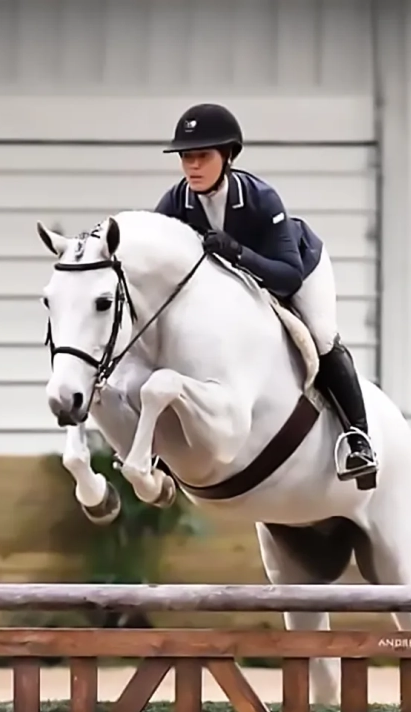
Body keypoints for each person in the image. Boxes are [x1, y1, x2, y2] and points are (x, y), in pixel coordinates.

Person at [152, 102, 378, 483]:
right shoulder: (176, 203)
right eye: (186, 156)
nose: (192, 165)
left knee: (321, 336)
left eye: (202, 156)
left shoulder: (261, 199)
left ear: (227, 156)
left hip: (297, 269)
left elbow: (287, 276)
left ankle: (358, 439)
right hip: (233, 292)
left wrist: (238, 253)